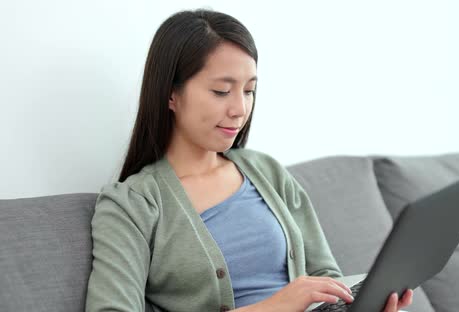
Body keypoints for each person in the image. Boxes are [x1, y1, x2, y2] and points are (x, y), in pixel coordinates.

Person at [85, 9, 413, 312]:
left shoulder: (265, 171)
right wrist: (274, 307)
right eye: (221, 91)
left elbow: (324, 274)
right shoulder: (132, 204)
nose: (240, 109)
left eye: (249, 90)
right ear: (171, 94)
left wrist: (355, 305)